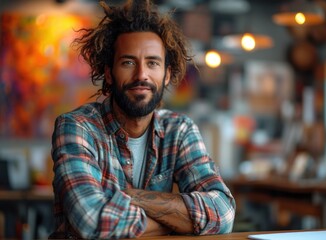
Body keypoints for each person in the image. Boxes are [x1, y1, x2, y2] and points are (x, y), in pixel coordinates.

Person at [50, 0, 236, 238]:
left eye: (152, 63)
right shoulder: (78, 127)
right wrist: (175, 223)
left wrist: (127, 195)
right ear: (109, 73)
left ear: (167, 74)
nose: (141, 75)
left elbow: (224, 213)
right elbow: (92, 222)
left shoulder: (178, 130)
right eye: (128, 62)